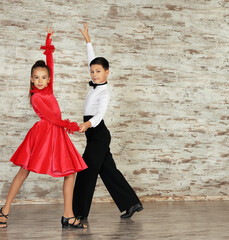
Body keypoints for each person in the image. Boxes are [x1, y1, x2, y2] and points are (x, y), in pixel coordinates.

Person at [0, 26, 87, 229]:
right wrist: (70, 125)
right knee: (24, 171)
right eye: (36, 77)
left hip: (57, 135)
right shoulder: (36, 98)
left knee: (71, 172)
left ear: (48, 78)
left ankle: (67, 215)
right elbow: (53, 118)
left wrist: (48, 45)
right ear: (31, 79)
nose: (40, 81)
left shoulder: (49, 87)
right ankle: (5, 210)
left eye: (43, 77)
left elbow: (51, 66)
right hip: (44, 134)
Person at [73, 23, 143, 221]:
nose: (94, 74)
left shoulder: (104, 92)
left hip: (98, 133)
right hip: (94, 134)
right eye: (92, 71)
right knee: (108, 170)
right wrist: (88, 41)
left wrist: (87, 124)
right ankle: (131, 203)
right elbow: (91, 60)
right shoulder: (94, 84)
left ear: (107, 72)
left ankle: (78, 212)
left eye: (98, 71)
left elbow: (100, 114)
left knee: (86, 171)